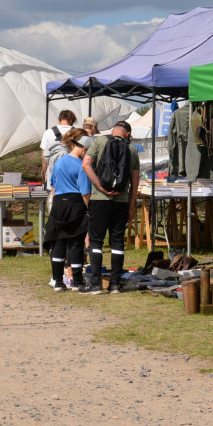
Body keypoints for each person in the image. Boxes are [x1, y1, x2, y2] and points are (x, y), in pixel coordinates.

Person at [79, 120, 140, 295]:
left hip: (99, 199)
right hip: (121, 202)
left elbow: (86, 164)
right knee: (117, 242)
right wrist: (131, 205)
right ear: (127, 134)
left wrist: (100, 185)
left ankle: (96, 284)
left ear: (113, 130)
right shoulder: (132, 150)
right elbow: (135, 183)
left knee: (96, 241)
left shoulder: (99, 141)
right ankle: (115, 284)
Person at [45, 129, 92, 292]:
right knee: (76, 243)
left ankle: (58, 281)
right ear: (84, 148)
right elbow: (85, 191)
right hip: (76, 203)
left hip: (58, 203)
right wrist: (90, 211)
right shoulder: (82, 166)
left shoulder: (59, 162)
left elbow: (53, 186)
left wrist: (53, 206)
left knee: (58, 241)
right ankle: (77, 281)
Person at [41, 109, 77, 183]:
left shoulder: (48, 132)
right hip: (72, 174)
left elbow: (44, 157)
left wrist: (46, 173)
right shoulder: (77, 132)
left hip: (53, 173)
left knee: (54, 193)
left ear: (59, 120)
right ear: (71, 120)